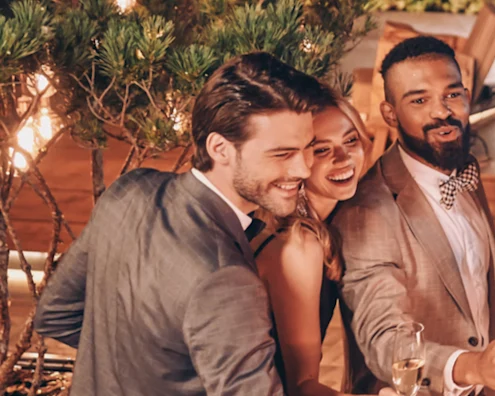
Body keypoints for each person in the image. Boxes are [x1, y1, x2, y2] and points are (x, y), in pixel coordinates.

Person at [34, 52, 337, 395]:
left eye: (308, 148)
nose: (303, 169)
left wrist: (155, 368)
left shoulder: (128, 190)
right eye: (282, 154)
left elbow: (55, 314)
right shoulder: (226, 280)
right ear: (220, 149)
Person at [333, 36, 495, 395]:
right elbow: (383, 340)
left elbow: (478, 291)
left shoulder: (463, 171)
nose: (441, 112)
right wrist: (472, 367)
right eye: (419, 100)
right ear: (390, 113)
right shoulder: (367, 210)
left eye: (452, 94)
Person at [251, 98, 395, 395]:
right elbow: (301, 386)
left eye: (350, 140)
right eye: (321, 149)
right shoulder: (299, 244)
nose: (343, 158)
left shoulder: (322, 223)